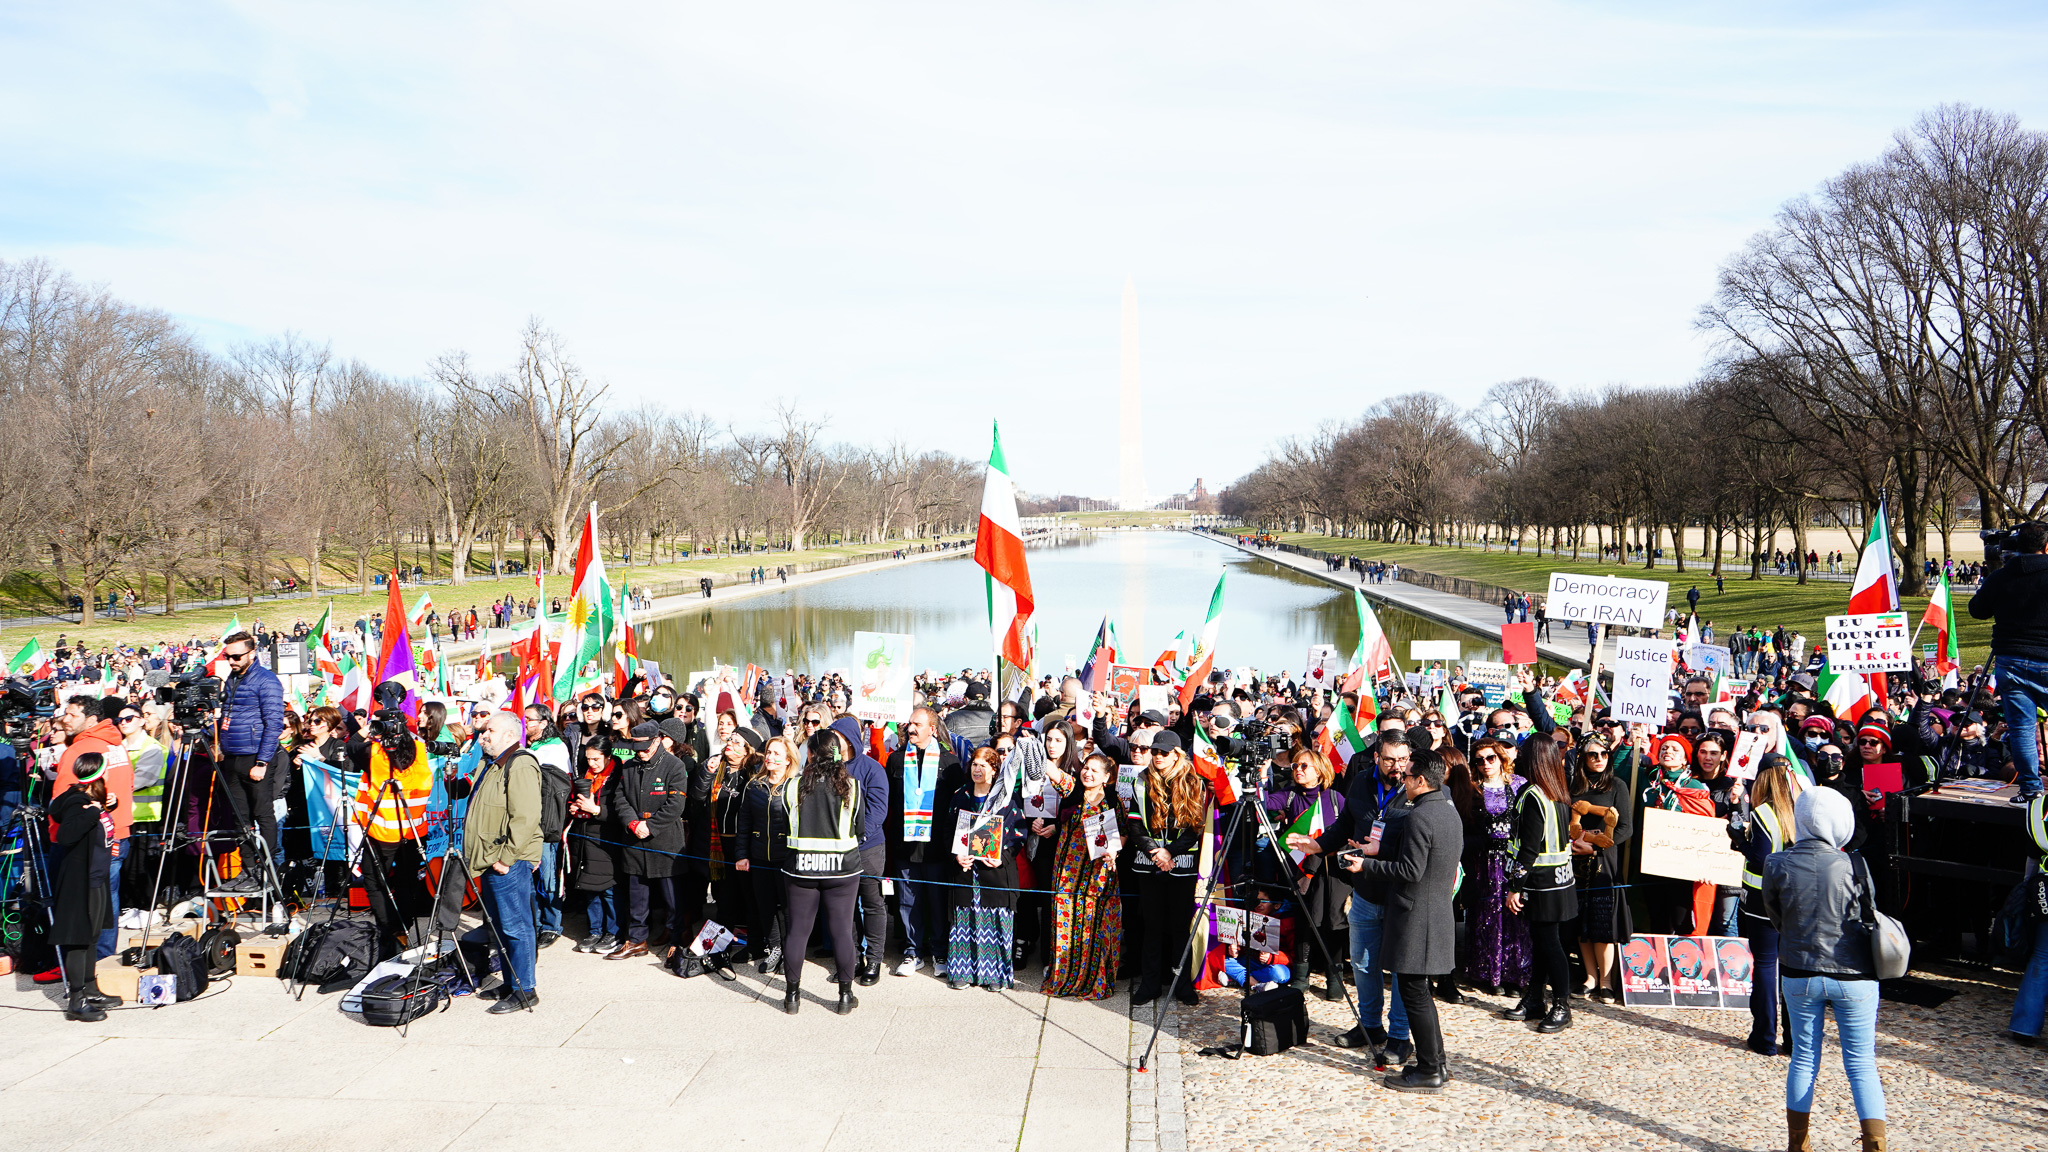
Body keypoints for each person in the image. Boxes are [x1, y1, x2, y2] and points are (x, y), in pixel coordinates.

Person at [1762, 787, 1887, 1152]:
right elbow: (1870, 911)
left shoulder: (1776, 863)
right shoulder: (1855, 863)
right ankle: (1875, 1146)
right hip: (1855, 972)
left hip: (1799, 969)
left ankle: (1798, 1145)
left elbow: (1775, 916)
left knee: (1803, 1057)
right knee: (1862, 1063)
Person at [1339, 738, 1462, 1093]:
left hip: (1417, 918)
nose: (1402, 780)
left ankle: (1429, 1069)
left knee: (1415, 996)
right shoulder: (1445, 808)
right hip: (1432, 913)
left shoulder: (1421, 814)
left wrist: (1368, 865)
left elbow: (1409, 870)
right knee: (1420, 995)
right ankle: (1435, 1063)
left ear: (1421, 780)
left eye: (1408, 776)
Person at [1294, 728, 1414, 1060]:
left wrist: (1382, 848)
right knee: (1362, 963)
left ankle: (1400, 1035)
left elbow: (1423, 840)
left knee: (1402, 968)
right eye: (1390, 759)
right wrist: (1318, 845)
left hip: (1401, 893)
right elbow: (1346, 824)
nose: (1397, 767)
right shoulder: (1361, 781)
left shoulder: (1418, 787)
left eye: (1403, 760)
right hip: (1364, 892)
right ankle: (1370, 1025)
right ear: (1377, 757)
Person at [459, 713, 545, 1013]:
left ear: (509, 735)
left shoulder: (519, 763)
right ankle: (510, 983)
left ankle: (525, 990)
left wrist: (506, 858)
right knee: (499, 926)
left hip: (506, 860)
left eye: (490, 730)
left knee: (515, 926)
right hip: (489, 858)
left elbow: (526, 816)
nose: (484, 735)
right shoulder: (490, 762)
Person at [781, 726, 867, 1016]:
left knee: (797, 933)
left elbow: (786, 825)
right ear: (837, 754)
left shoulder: (792, 786)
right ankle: (845, 996)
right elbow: (860, 828)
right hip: (842, 870)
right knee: (842, 931)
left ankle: (791, 997)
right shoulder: (852, 787)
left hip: (801, 868)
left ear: (810, 754)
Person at [352, 689, 436, 960]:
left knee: (374, 880)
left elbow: (350, 749)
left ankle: (389, 928)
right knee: (407, 881)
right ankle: (404, 927)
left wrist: (367, 731)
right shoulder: (419, 747)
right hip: (413, 830)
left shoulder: (374, 752)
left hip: (383, 831)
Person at [1968, 522, 2048, 801]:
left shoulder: (2000, 577)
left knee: (2022, 728)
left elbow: (1977, 610)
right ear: (2046, 546)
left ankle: (2030, 789)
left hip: (2011, 661)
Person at [1503, 738, 1578, 1033]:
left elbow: (1529, 849)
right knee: (1542, 943)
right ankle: (1535, 998)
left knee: (1550, 945)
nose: (1518, 756)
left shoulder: (1533, 795)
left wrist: (1514, 886)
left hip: (1541, 884)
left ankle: (1562, 1004)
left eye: (1522, 753)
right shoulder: (1556, 791)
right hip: (1560, 880)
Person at [883, 706, 963, 978]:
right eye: (909, 723)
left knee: (937, 901)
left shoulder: (950, 762)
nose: (911, 728)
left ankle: (940, 952)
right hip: (905, 844)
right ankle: (912, 952)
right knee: (907, 901)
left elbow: (957, 806)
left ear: (933, 728)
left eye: (917, 724)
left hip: (936, 845)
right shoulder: (895, 760)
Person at [1731, 753, 1800, 1056]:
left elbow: (1762, 859)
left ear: (1762, 779)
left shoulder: (1763, 813)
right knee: (1791, 971)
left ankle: (1764, 1037)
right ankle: (1795, 1040)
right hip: (1795, 899)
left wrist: (1738, 839)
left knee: (1766, 965)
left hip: (1763, 900)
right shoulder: (1802, 810)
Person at [1039, 751, 1123, 999]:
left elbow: (1123, 834)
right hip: (1067, 871)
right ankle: (1065, 977)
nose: (1088, 773)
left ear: (1107, 777)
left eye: (1095, 770)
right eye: (1086, 767)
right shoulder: (1073, 790)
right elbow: (1052, 771)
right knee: (1066, 924)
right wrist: (1031, 744)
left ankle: (1093, 980)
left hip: (1098, 874)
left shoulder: (1113, 801)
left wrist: (1113, 853)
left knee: (1093, 926)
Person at [942, 745, 1026, 989]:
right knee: (963, 920)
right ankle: (963, 972)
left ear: (994, 769)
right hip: (966, 872)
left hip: (995, 873)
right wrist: (957, 854)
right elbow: (948, 831)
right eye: (974, 764)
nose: (977, 769)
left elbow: (1019, 833)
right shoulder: (960, 796)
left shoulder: (1006, 799)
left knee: (995, 922)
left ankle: (995, 975)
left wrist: (1004, 856)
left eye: (983, 765)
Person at [1268, 745, 1346, 1000]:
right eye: (1295, 766)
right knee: (1305, 920)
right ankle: (1301, 975)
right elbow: (1266, 802)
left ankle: (1335, 976)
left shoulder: (1336, 798)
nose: (1297, 770)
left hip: (1331, 871)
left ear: (1320, 771)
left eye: (1304, 766)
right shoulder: (1290, 795)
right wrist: (1257, 780)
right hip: (1301, 870)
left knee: (1333, 922)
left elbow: (1346, 831)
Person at [605, 721, 687, 961]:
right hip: (634, 842)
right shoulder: (629, 766)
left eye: (645, 748)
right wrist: (633, 823)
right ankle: (636, 940)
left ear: (657, 741)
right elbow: (620, 798)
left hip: (664, 842)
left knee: (672, 899)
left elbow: (675, 805)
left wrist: (649, 826)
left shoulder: (674, 765)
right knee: (637, 897)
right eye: (637, 748)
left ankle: (676, 940)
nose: (640, 753)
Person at [50, 753, 118, 1022]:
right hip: (81, 882)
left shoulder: (91, 800)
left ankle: (92, 990)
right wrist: (92, 813)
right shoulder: (79, 803)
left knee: (91, 936)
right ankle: (76, 1001)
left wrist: (106, 807)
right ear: (99, 775)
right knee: (79, 940)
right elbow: (66, 835)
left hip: (95, 878)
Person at [1462, 737, 1531, 995]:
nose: (1485, 764)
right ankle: (1488, 972)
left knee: (1515, 916)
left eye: (1490, 758)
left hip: (1512, 860)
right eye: (1479, 760)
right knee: (1487, 914)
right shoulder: (1473, 789)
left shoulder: (1520, 785)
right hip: (1484, 861)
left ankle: (1515, 974)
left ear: (1502, 758)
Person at [1566, 733, 1633, 1002]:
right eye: (1593, 754)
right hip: (1576, 860)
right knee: (1582, 920)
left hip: (1604, 860)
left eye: (1604, 754)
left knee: (1602, 922)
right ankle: (1589, 977)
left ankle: (1606, 980)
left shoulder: (1617, 785)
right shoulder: (1573, 785)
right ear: (1583, 757)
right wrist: (1574, 844)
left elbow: (1625, 827)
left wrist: (1595, 847)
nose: (1599, 759)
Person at [215, 630, 285, 886]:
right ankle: (248, 868)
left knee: (262, 814)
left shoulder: (266, 681)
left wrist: (262, 762)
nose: (231, 661)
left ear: (252, 653)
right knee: (240, 817)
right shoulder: (231, 678)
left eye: (236, 656)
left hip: (255, 757)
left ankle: (267, 868)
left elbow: (274, 723)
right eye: (227, 656)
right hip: (232, 755)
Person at [735, 733, 800, 975]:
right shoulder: (754, 785)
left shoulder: (796, 785)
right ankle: (774, 948)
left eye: (776, 754)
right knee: (765, 906)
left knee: (788, 908)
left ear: (788, 760)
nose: (770, 757)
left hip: (787, 857)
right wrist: (742, 854)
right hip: (760, 855)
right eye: (769, 752)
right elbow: (744, 822)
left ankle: (789, 951)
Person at [565, 725, 620, 954]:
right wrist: (575, 807)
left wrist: (596, 809)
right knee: (588, 888)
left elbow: (620, 811)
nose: (592, 764)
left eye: (597, 759)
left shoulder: (619, 775)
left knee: (608, 890)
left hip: (607, 840)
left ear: (608, 756)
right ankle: (594, 930)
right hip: (585, 837)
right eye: (588, 759)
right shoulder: (585, 774)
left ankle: (613, 932)